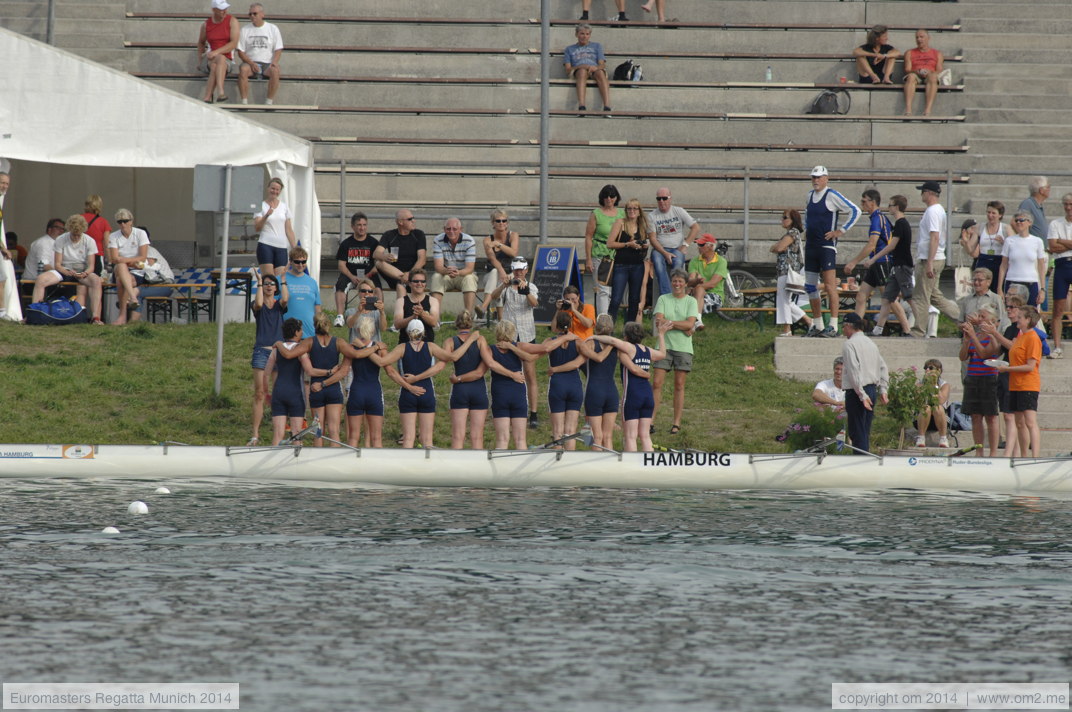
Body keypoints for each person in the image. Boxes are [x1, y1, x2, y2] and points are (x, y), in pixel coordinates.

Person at [592, 319, 673, 452]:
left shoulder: (628, 349)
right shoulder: (647, 350)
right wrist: (661, 335)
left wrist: (594, 336)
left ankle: (632, 467)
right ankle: (649, 466)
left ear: (626, 337)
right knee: (645, 435)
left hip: (632, 395)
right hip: (648, 395)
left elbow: (612, 341)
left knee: (630, 436)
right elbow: (663, 354)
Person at [803, 166, 860, 337]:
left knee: (829, 285)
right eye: (813, 177)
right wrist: (807, 229)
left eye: (819, 177)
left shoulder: (832, 195)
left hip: (826, 247)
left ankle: (833, 326)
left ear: (826, 178)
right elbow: (807, 215)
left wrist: (840, 231)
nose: (816, 180)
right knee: (810, 287)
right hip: (811, 246)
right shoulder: (809, 196)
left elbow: (855, 210)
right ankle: (818, 324)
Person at [321, 320, 395, 449]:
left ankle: (350, 467)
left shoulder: (352, 348)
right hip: (374, 392)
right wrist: (407, 385)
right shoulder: (379, 348)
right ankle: (378, 467)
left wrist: (324, 383)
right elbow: (391, 372)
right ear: (372, 331)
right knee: (376, 438)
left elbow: (343, 372)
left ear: (358, 330)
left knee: (353, 437)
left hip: (356, 392)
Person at [488, 257, 541, 428]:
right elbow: (493, 297)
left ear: (526, 270)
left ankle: (533, 412)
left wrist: (525, 291)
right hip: (509, 334)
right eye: (516, 269)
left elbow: (535, 304)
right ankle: (509, 408)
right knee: (506, 373)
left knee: (530, 374)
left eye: (521, 270)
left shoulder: (531, 286)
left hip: (526, 334)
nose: (518, 273)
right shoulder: (507, 286)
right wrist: (504, 284)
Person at [32, 214, 104, 324]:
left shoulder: (89, 241)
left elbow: (91, 266)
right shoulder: (61, 239)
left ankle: (95, 317)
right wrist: (66, 272)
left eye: (78, 235)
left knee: (96, 280)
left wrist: (84, 273)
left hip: (82, 271)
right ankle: (35, 314)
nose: (75, 237)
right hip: (64, 270)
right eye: (73, 234)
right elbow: (57, 264)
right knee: (41, 279)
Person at [909, 180, 959, 337]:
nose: (921, 194)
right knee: (933, 295)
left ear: (929, 193)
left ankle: (918, 331)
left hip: (930, 259)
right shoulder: (937, 210)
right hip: (935, 257)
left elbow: (934, 237)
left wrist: (929, 262)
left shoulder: (932, 211)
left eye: (923, 191)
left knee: (921, 296)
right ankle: (962, 317)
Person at [652, 269, 697, 435]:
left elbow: (690, 325)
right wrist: (682, 325)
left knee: (679, 385)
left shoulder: (691, 301)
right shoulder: (663, 298)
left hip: (683, 348)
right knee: (656, 383)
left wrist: (670, 323)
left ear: (685, 284)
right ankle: (651, 420)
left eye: (680, 281)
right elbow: (658, 322)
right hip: (664, 345)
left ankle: (676, 422)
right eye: (674, 281)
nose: (677, 284)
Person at [995, 305, 1043, 458]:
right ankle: (1023, 455)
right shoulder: (1021, 336)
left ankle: (1034, 456)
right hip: (1015, 384)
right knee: (1019, 423)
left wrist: (1007, 369)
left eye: (1020, 317)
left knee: (1030, 421)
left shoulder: (1033, 338)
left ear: (1028, 320)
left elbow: (1030, 366)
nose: (1017, 319)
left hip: (1028, 384)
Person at [488, 320, 543, 450]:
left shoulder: (491, 349)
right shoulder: (518, 347)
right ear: (513, 333)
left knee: (502, 439)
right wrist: (512, 347)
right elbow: (529, 358)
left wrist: (510, 347)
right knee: (520, 439)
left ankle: (500, 468)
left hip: (499, 393)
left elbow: (491, 364)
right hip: (518, 393)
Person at [864, 194, 913, 336]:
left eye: (890, 205)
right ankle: (877, 329)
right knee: (886, 298)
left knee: (909, 297)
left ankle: (915, 328)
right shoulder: (898, 224)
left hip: (901, 266)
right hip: (896, 266)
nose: (888, 208)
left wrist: (873, 259)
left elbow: (891, 246)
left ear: (896, 207)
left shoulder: (900, 223)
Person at [840, 312, 889, 453]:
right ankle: (864, 458)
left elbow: (853, 371)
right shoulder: (871, 343)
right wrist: (883, 390)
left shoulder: (849, 344)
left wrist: (862, 395)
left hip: (858, 392)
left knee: (857, 432)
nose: (843, 330)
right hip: (871, 390)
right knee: (864, 430)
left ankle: (861, 462)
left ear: (849, 326)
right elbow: (883, 367)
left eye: (843, 327)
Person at [249, 270, 287, 446]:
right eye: (266, 284)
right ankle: (255, 434)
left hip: (278, 352)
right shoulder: (258, 305)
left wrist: (284, 280)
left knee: (278, 393)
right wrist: (258, 282)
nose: (269, 286)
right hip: (261, 352)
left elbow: (286, 299)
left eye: (272, 284)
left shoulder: (279, 305)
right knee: (259, 393)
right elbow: (257, 303)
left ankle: (278, 433)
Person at [445, 312, 492, 450]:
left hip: (460, 390)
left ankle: (455, 469)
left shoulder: (450, 341)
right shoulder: (480, 340)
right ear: (471, 323)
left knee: (458, 436)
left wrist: (458, 379)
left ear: (456, 323)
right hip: (478, 389)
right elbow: (482, 369)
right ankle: (478, 469)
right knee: (477, 437)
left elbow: (446, 360)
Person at [844, 189, 892, 320]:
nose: (862, 204)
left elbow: (872, 245)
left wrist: (853, 262)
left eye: (864, 201)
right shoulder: (876, 218)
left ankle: (906, 328)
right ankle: (857, 328)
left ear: (873, 202)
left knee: (888, 299)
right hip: (875, 262)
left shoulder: (877, 218)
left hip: (882, 261)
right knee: (861, 297)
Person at [959, 308, 1001, 457]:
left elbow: (984, 353)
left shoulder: (994, 338)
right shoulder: (974, 335)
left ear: (992, 321)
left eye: (983, 316)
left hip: (989, 378)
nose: (979, 319)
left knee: (991, 416)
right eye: (979, 316)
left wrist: (973, 337)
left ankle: (994, 452)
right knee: (975, 416)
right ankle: (979, 450)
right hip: (973, 377)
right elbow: (963, 357)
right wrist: (966, 340)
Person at [300, 312, 345, 448]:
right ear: (328, 325)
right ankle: (334, 462)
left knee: (318, 431)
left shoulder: (308, 342)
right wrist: (333, 370)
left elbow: (309, 369)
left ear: (314, 325)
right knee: (334, 430)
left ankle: (317, 466)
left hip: (316, 388)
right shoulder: (338, 342)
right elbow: (353, 354)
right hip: (333, 388)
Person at [648, 187, 700, 299]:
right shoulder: (652, 216)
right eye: (659, 198)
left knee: (678, 267)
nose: (661, 201)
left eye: (664, 198)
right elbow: (652, 239)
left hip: (677, 248)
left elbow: (695, 227)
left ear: (670, 199)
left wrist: (685, 245)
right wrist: (664, 253)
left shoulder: (678, 211)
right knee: (658, 262)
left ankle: (677, 294)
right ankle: (666, 295)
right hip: (659, 249)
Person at [543, 312, 585, 450]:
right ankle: (570, 465)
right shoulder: (578, 342)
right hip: (574, 385)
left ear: (556, 325)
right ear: (571, 324)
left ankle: (557, 462)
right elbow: (579, 362)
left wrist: (554, 369)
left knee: (557, 431)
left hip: (557, 386)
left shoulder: (550, 341)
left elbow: (538, 351)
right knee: (570, 430)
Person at [577, 314, 619, 450]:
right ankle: (610, 467)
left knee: (597, 436)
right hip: (612, 391)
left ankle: (597, 468)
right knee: (608, 436)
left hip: (594, 390)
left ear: (596, 327)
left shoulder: (590, 343)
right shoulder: (616, 345)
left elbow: (579, 362)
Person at [607, 197, 650, 324]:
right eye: (629, 208)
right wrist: (627, 244)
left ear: (639, 211)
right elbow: (609, 243)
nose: (632, 211)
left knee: (634, 299)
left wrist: (644, 247)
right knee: (616, 299)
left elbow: (643, 249)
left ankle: (629, 329)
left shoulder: (642, 226)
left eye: (634, 208)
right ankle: (609, 328)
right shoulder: (620, 223)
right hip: (621, 265)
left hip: (637, 265)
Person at [770, 209, 813, 336]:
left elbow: (778, 248)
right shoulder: (791, 234)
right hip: (786, 271)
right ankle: (809, 321)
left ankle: (787, 329)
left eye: (785, 217)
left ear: (793, 220)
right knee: (787, 301)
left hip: (787, 271)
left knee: (783, 300)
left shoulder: (793, 232)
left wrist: (775, 247)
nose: (782, 220)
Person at [333, 212, 379, 327]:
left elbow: (378, 264)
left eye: (364, 225)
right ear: (352, 226)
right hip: (350, 274)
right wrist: (352, 277)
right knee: (340, 286)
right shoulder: (346, 244)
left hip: (369, 274)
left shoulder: (373, 243)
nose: (362, 228)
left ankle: (374, 314)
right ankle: (340, 317)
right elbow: (341, 265)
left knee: (377, 288)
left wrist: (367, 276)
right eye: (359, 225)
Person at [107, 209, 150, 325]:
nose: (122, 224)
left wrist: (125, 260)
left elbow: (143, 257)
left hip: (136, 270)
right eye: (119, 222)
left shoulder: (140, 233)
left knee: (122, 280)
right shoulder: (113, 236)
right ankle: (133, 297)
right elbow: (114, 258)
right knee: (120, 266)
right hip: (123, 268)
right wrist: (129, 261)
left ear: (131, 221)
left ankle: (122, 316)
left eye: (125, 221)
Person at [585, 184, 624, 315]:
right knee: (603, 289)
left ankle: (612, 317)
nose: (609, 199)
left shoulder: (622, 213)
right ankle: (603, 321)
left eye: (612, 196)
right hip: (600, 254)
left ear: (616, 197)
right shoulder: (596, 214)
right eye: (606, 196)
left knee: (615, 289)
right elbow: (589, 236)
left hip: (618, 254)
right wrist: (588, 259)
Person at [236, 2, 284, 105]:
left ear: (262, 14)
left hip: (267, 63)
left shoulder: (272, 28)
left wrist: (274, 62)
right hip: (250, 63)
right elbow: (240, 52)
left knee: (275, 71)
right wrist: (251, 63)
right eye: (250, 14)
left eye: (255, 13)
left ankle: (269, 101)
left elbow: (278, 49)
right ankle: (244, 101)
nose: (252, 16)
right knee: (243, 69)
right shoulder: (245, 30)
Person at [429, 217, 479, 316]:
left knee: (470, 278)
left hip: (463, 274)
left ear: (461, 229)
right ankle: (435, 319)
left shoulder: (469, 241)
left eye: (455, 229)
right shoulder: (438, 240)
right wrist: (447, 271)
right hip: (446, 274)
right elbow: (438, 267)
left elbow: (470, 268)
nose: (451, 231)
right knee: (436, 277)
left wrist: (459, 273)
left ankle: (467, 318)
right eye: (448, 229)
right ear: (444, 229)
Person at [997, 211, 1047, 308]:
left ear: (1029, 222)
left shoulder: (1037, 241)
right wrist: (999, 288)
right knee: (1012, 313)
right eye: (1017, 220)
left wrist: (1042, 289)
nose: (1019, 222)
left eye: (1022, 220)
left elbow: (1041, 266)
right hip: (1012, 281)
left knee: (1031, 314)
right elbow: (1003, 266)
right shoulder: (1009, 241)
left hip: (1031, 282)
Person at [958, 201, 1008, 295]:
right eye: (988, 212)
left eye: (993, 213)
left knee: (997, 292)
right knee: (981, 291)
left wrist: (1004, 242)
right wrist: (965, 241)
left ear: (1000, 215)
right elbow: (971, 250)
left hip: (999, 261)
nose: (990, 215)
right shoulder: (980, 227)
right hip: (983, 260)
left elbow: (1013, 248)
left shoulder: (1006, 228)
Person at [374, 208, 427, 296]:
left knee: (400, 285)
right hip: (395, 275)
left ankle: (405, 279)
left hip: (415, 277)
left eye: (413, 218)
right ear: (400, 222)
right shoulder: (389, 235)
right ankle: (404, 278)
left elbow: (422, 259)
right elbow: (376, 254)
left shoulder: (418, 234)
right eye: (410, 219)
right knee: (379, 262)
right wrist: (384, 256)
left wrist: (410, 274)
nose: (414, 221)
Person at [480, 209, 520, 322]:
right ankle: (500, 319)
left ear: (507, 223)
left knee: (502, 281)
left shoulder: (513, 235)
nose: (501, 223)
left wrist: (498, 244)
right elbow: (492, 258)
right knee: (495, 274)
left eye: (504, 220)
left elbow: (513, 252)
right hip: (492, 275)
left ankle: (484, 308)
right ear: (493, 223)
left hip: (510, 274)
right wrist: (501, 270)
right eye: (498, 221)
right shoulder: (487, 240)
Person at [254, 177, 297, 278]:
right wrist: (266, 215)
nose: (274, 191)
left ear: (280, 191)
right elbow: (257, 228)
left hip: (281, 247)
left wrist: (295, 248)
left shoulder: (284, 206)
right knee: (268, 279)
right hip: (266, 244)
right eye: (272, 188)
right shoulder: (261, 205)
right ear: (268, 188)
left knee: (280, 279)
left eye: (277, 189)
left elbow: (289, 230)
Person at [563, 24, 611, 115]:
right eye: (582, 34)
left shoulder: (597, 46)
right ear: (576, 34)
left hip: (594, 69)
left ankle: (607, 107)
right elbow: (568, 69)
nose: (584, 37)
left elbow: (602, 64)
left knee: (600, 73)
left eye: (587, 34)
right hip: (578, 70)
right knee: (582, 72)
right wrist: (581, 66)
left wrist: (596, 67)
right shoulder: (569, 49)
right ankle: (582, 106)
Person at [197, 0, 239, 103]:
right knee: (219, 59)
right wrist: (199, 59)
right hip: (210, 57)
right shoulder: (206, 25)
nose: (224, 11)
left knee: (217, 63)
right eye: (221, 9)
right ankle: (220, 92)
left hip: (226, 58)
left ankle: (207, 97)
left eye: (225, 8)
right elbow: (201, 42)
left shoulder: (232, 21)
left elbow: (233, 43)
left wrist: (217, 52)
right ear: (213, 10)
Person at [686, 233, 729, 333]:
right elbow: (690, 281)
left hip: (716, 295)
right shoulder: (694, 261)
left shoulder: (721, 261)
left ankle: (693, 322)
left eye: (701, 245)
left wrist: (698, 285)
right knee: (697, 293)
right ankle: (697, 321)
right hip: (698, 294)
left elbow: (713, 284)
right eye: (698, 245)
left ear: (710, 246)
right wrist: (696, 282)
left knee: (697, 292)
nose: (698, 248)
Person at [1046, 193, 1072, 358]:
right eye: (1066, 204)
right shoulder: (1056, 223)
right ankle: (1057, 347)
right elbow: (1052, 246)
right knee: (1058, 309)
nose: (1068, 208)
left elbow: (1056, 243)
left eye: (1071, 204)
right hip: (1062, 265)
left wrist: (1061, 241)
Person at [902, 28, 944, 117]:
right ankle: (908, 109)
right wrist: (917, 71)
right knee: (911, 77)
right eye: (917, 37)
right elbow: (907, 69)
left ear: (928, 38)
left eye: (921, 37)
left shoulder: (937, 53)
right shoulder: (909, 52)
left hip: (930, 74)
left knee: (933, 77)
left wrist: (930, 72)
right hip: (916, 74)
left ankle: (927, 110)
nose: (919, 39)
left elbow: (939, 70)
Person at [281, 246, 321, 336]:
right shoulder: (281, 279)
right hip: (287, 333)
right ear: (290, 262)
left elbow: (317, 307)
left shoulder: (312, 282)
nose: (300, 264)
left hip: (310, 332)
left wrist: (320, 327)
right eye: (297, 262)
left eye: (303, 262)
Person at [393, 269, 439, 345]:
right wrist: (413, 317)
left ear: (425, 284)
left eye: (422, 281)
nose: (419, 284)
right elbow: (397, 325)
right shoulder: (401, 301)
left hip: (427, 345)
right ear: (410, 283)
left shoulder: (433, 301)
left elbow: (434, 323)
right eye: (416, 281)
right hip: (406, 345)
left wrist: (422, 313)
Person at [915, 359, 951, 448]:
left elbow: (941, 400)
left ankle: (943, 438)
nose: (927, 370)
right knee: (926, 408)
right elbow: (917, 400)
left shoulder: (944, 385)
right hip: (922, 418)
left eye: (931, 368)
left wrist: (934, 384)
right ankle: (921, 437)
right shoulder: (919, 384)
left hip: (940, 419)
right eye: (925, 368)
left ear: (939, 370)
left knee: (937, 407)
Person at [23, 218, 66, 287]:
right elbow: (44, 265)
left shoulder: (57, 244)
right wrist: (62, 275)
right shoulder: (43, 243)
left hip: (48, 281)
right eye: (58, 228)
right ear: (49, 229)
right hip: (33, 283)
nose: (61, 231)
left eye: (63, 229)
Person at [80, 194, 111, 273]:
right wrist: (110, 260)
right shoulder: (103, 222)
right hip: (96, 254)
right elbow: (106, 244)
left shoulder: (78, 219)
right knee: (95, 281)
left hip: (79, 254)